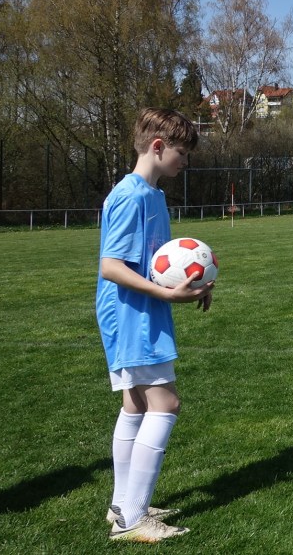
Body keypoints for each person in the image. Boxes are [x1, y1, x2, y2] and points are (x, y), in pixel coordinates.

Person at [96, 108, 213, 543]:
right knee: (166, 404)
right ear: (158, 147)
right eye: (182, 153)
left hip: (141, 309)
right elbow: (111, 266)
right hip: (131, 313)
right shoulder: (130, 196)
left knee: (135, 406)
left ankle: (121, 506)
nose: (186, 161)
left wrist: (193, 283)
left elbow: (158, 261)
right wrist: (165, 295)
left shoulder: (153, 195)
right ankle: (133, 519)